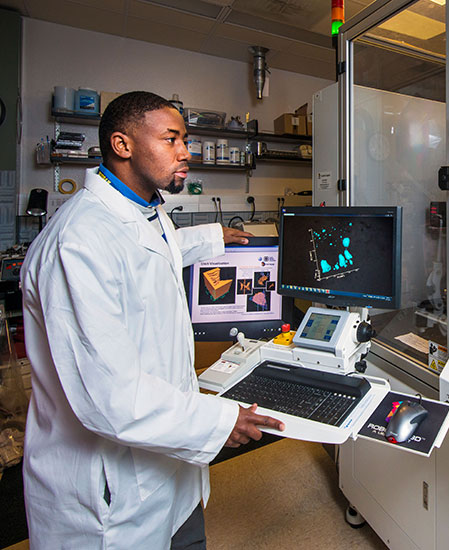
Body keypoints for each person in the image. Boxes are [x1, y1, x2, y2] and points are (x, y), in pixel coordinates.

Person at [20, 91, 285, 549]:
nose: (186, 152)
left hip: (167, 466)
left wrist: (214, 236)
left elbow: (158, 248)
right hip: (112, 497)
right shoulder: (79, 241)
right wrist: (221, 421)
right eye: (171, 139)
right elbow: (111, 398)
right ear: (123, 145)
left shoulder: (144, 212)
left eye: (185, 139)